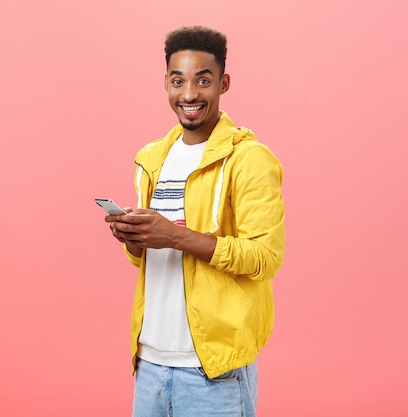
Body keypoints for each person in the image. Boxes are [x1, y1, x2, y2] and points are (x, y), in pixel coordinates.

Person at [105, 25, 286, 417]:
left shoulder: (249, 158)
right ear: (166, 84)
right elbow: (145, 258)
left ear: (223, 83)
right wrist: (132, 238)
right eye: (178, 80)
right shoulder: (152, 157)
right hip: (149, 361)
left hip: (212, 371)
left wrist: (176, 236)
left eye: (202, 81)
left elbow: (265, 257)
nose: (189, 94)